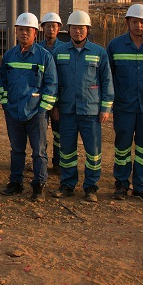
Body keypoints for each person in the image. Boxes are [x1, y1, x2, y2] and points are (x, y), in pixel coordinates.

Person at [51, 11, 112, 202]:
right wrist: (54, 106)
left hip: (90, 111)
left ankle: (91, 186)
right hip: (67, 110)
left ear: (88, 30)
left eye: (81, 28)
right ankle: (67, 184)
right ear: (68, 30)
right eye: (74, 28)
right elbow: (53, 82)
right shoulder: (59, 52)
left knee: (93, 152)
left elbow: (106, 81)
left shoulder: (99, 52)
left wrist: (105, 108)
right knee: (67, 150)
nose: (78, 31)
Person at [0, 13, 58, 201]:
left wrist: (42, 109)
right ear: (16, 31)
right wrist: (6, 104)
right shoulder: (9, 56)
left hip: (36, 113)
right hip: (14, 111)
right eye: (21, 29)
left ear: (35, 33)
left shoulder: (44, 57)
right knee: (16, 150)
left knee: (39, 151)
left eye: (28, 30)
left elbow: (51, 85)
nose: (24, 33)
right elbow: (3, 82)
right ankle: (16, 182)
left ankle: (39, 185)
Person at [107, 3, 143, 202]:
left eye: (142, 22)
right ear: (128, 22)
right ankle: (121, 184)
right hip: (124, 106)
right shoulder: (115, 45)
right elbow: (108, 76)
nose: (139, 25)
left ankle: (140, 186)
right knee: (122, 147)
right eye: (135, 21)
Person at [40, 12, 63, 171]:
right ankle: (40, 162)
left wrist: (56, 103)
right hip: (40, 97)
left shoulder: (64, 49)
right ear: (43, 28)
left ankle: (58, 162)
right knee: (40, 133)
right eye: (48, 26)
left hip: (57, 98)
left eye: (54, 26)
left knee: (58, 133)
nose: (51, 29)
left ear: (59, 28)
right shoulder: (38, 48)